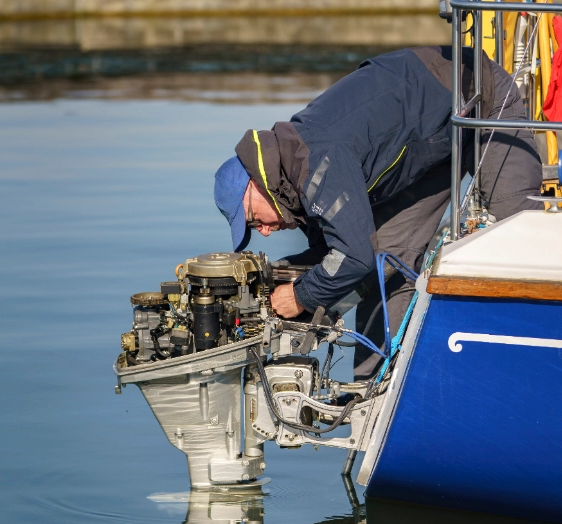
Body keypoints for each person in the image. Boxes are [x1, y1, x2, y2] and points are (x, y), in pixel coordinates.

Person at [214, 46, 542, 380]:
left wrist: (299, 296)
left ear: (256, 185)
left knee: (517, 240)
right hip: (432, 139)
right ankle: (374, 385)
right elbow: (339, 252)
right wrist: (276, 274)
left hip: (477, 96)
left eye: (255, 220)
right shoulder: (292, 172)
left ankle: (530, 366)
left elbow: (354, 255)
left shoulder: (316, 163)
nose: (264, 231)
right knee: (389, 257)